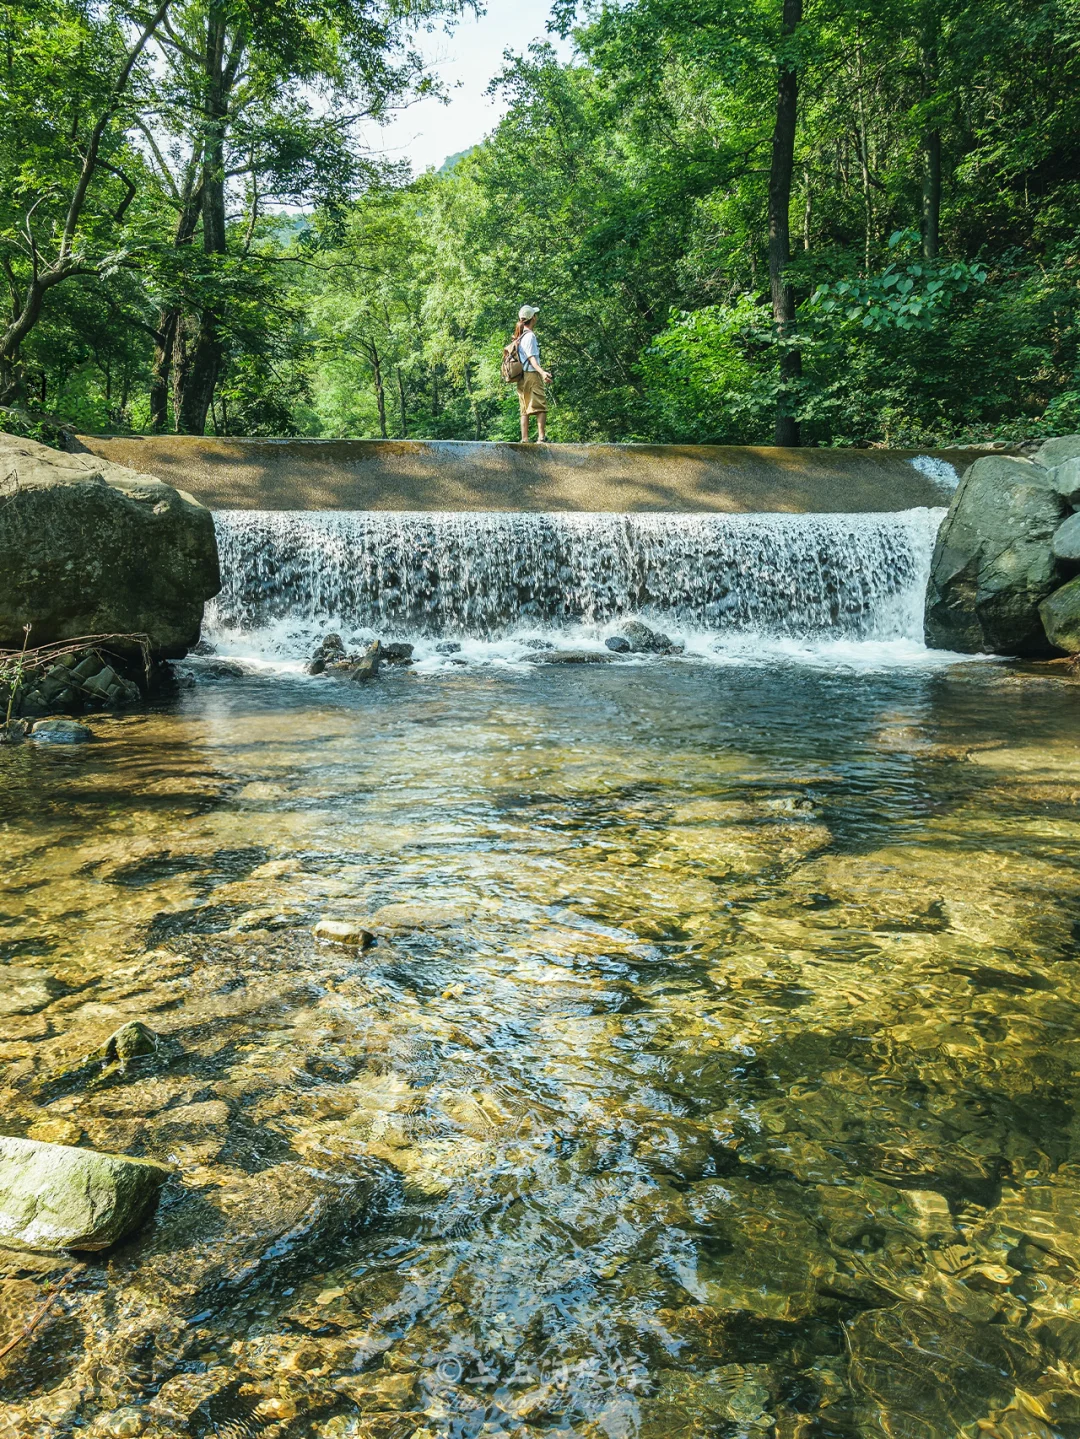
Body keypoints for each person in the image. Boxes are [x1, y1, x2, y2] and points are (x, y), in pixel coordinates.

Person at [513, 305, 552, 443]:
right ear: (533, 318)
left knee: (524, 407)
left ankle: (524, 439)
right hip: (531, 373)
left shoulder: (520, 336)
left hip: (521, 376)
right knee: (540, 404)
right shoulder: (530, 336)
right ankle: (541, 437)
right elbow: (531, 358)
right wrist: (542, 372)